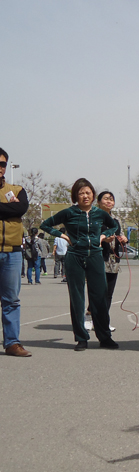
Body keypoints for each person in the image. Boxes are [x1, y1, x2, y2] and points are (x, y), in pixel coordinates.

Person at [40, 178, 119, 351]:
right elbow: (45, 225)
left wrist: (103, 236)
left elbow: (114, 226)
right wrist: (63, 236)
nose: (85, 196)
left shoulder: (99, 213)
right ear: (76, 196)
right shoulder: (69, 213)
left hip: (95, 256)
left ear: (93, 195)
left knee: (99, 297)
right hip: (75, 256)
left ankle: (105, 337)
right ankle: (81, 338)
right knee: (77, 298)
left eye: (88, 193)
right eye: (81, 193)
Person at [0, 147, 32, 357]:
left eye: (2, 164)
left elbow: (20, 209)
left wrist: (12, 209)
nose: (0, 167)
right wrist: (8, 209)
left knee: (11, 300)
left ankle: (12, 343)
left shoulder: (17, 190)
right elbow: (13, 210)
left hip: (12, 253)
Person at [86, 191, 126, 333]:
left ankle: (103, 321)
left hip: (113, 260)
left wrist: (123, 239)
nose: (109, 201)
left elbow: (120, 234)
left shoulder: (116, 220)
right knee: (97, 291)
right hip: (97, 258)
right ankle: (90, 317)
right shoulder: (92, 218)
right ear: (98, 202)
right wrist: (102, 239)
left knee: (108, 293)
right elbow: (88, 237)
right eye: (106, 199)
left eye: (112, 199)